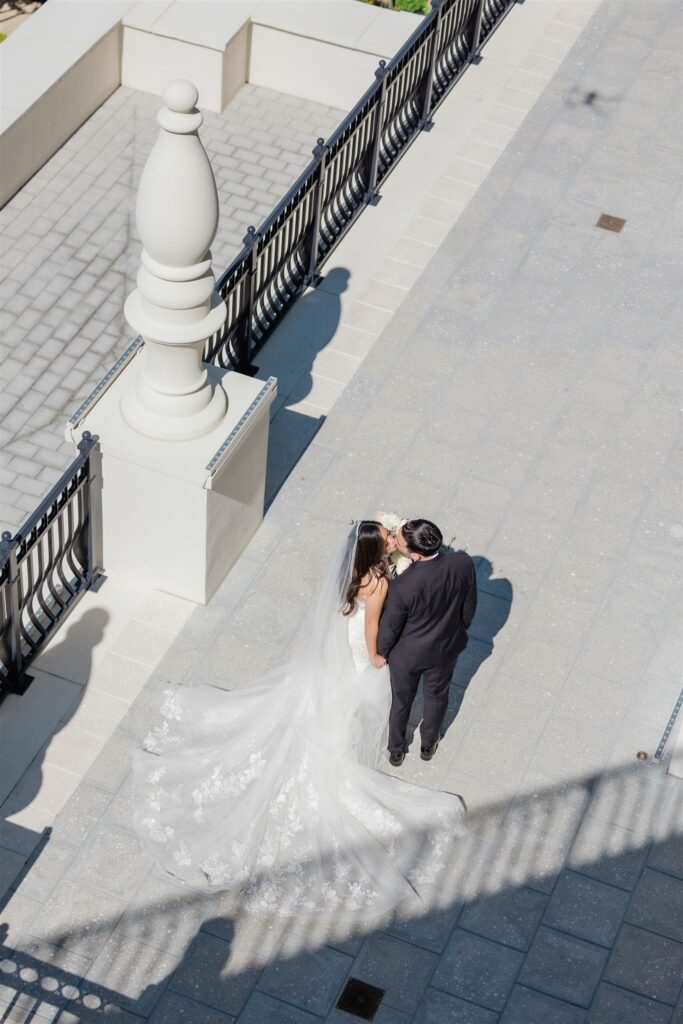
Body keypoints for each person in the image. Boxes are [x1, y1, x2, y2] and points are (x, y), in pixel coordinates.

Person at [132, 520, 467, 918]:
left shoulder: (352, 573)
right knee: (355, 702)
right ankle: (347, 745)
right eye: (386, 536)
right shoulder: (377, 584)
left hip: (340, 646)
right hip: (362, 647)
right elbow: (373, 627)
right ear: (376, 551)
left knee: (331, 698)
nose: (393, 537)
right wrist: (377, 658)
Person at [377, 519, 477, 766]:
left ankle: (396, 749)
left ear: (416, 555)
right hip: (446, 647)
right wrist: (458, 628)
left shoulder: (403, 585)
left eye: (399, 540)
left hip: (407, 655)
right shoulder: (462, 562)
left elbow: (391, 626)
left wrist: (382, 652)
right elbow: (469, 604)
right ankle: (429, 744)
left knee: (401, 701)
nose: (395, 540)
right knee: (437, 696)